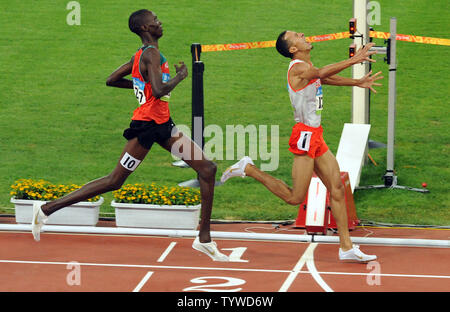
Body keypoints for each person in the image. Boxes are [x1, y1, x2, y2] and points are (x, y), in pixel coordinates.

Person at [31, 9, 228, 262]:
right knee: (114, 180)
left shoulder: (140, 55)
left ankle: (204, 238)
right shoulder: (152, 54)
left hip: (163, 125)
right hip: (146, 127)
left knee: (207, 168)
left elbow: (112, 79)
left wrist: (141, 87)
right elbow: (158, 90)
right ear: (145, 28)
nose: (160, 22)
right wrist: (179, 77)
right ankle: (46, 209)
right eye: (155, 21)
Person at [221, 30, 383, 262]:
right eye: (297, 35)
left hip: (316, 135)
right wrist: (353, 60)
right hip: (305, 136)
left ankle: (346, 247)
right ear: (293, 49)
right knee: (296, 198)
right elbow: (320, 73)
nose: (303, 34)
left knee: (336, 188)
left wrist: (357, 82)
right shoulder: (298, 67)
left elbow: (323, 78)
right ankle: (249, 169)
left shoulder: (307, 68)